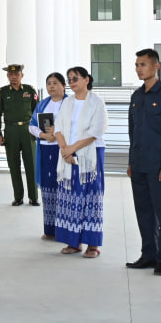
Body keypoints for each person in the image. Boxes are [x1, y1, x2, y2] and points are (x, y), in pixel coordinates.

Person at [126, 49, 161, 276]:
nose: (139, 69)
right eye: (137, 65)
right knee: (143, 212)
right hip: (139, 164)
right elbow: (133, 132)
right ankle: (148, 254)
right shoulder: (136, 96)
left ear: (156, 66)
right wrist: (131, 162)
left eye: (143, 64)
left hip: (159, 166)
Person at [53, 67, 108, 258]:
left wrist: (72, 149)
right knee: (71, 196)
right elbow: (58, 127)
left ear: (86, 80)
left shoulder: (96, 102)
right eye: (69, 79)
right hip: (67, 153)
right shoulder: (67, 102)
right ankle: (73, 242)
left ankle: (93, 245)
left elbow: (96, 130)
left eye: (75, 78)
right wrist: (64, 149)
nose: (71, 82)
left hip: (91, 154)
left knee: (91, 196)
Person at [0, 63, 39, 206]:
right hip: (11, 131)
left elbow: (37, 112)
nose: (13, 77)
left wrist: (38, 131)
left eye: (16, 74)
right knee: (14, 165)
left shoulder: (30, 91)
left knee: (31, 164)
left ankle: (33, 197)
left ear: (22, 75)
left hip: (27, 130)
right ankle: (18, 197)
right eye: (11, 75)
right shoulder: (2, 92)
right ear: (8, 76)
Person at [30, 72, 68, 240]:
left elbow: (75, 127)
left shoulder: (70, 103)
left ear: (63, 85)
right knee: (47, 188)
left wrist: (58, 133)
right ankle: (50, 229)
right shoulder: (42, 104)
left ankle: (64, 230)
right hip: (45, 150)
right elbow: (32, 125)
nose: (51, 86)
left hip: (63, 150)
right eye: (49, 83)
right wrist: (43, 135)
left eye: (55, 83)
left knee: (64, 188)